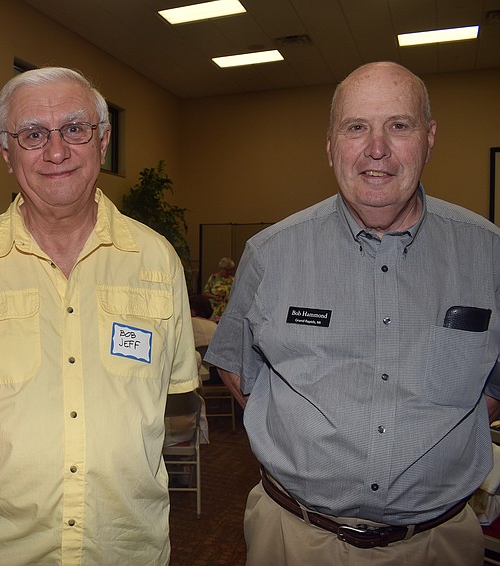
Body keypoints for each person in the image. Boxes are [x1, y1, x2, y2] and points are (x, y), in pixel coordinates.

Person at [205, 61, 500, 565]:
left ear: (429, 138)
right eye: (356, 127)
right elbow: (236, 367)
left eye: (399, 126)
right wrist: (300, 437)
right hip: (293, 538)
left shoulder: (488, 254)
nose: (376, 148)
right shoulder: (270, 253)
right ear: (330, 144)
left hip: (438, 543)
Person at [0, 67, 199, 565]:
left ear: (102, 140)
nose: (56, 152)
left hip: (125, 551)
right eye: (33, 134)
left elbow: (171, 407)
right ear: (5, 152)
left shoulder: (157, 261)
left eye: (75, 129)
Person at [202, 256, 235, 321]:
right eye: (227, 270)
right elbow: (205, 293)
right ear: (222, 268)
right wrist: (214, 297)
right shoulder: (214, 278)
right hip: (214, 309)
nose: (229, 272)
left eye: (231, 270)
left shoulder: (233, 280)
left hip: (227, 310)